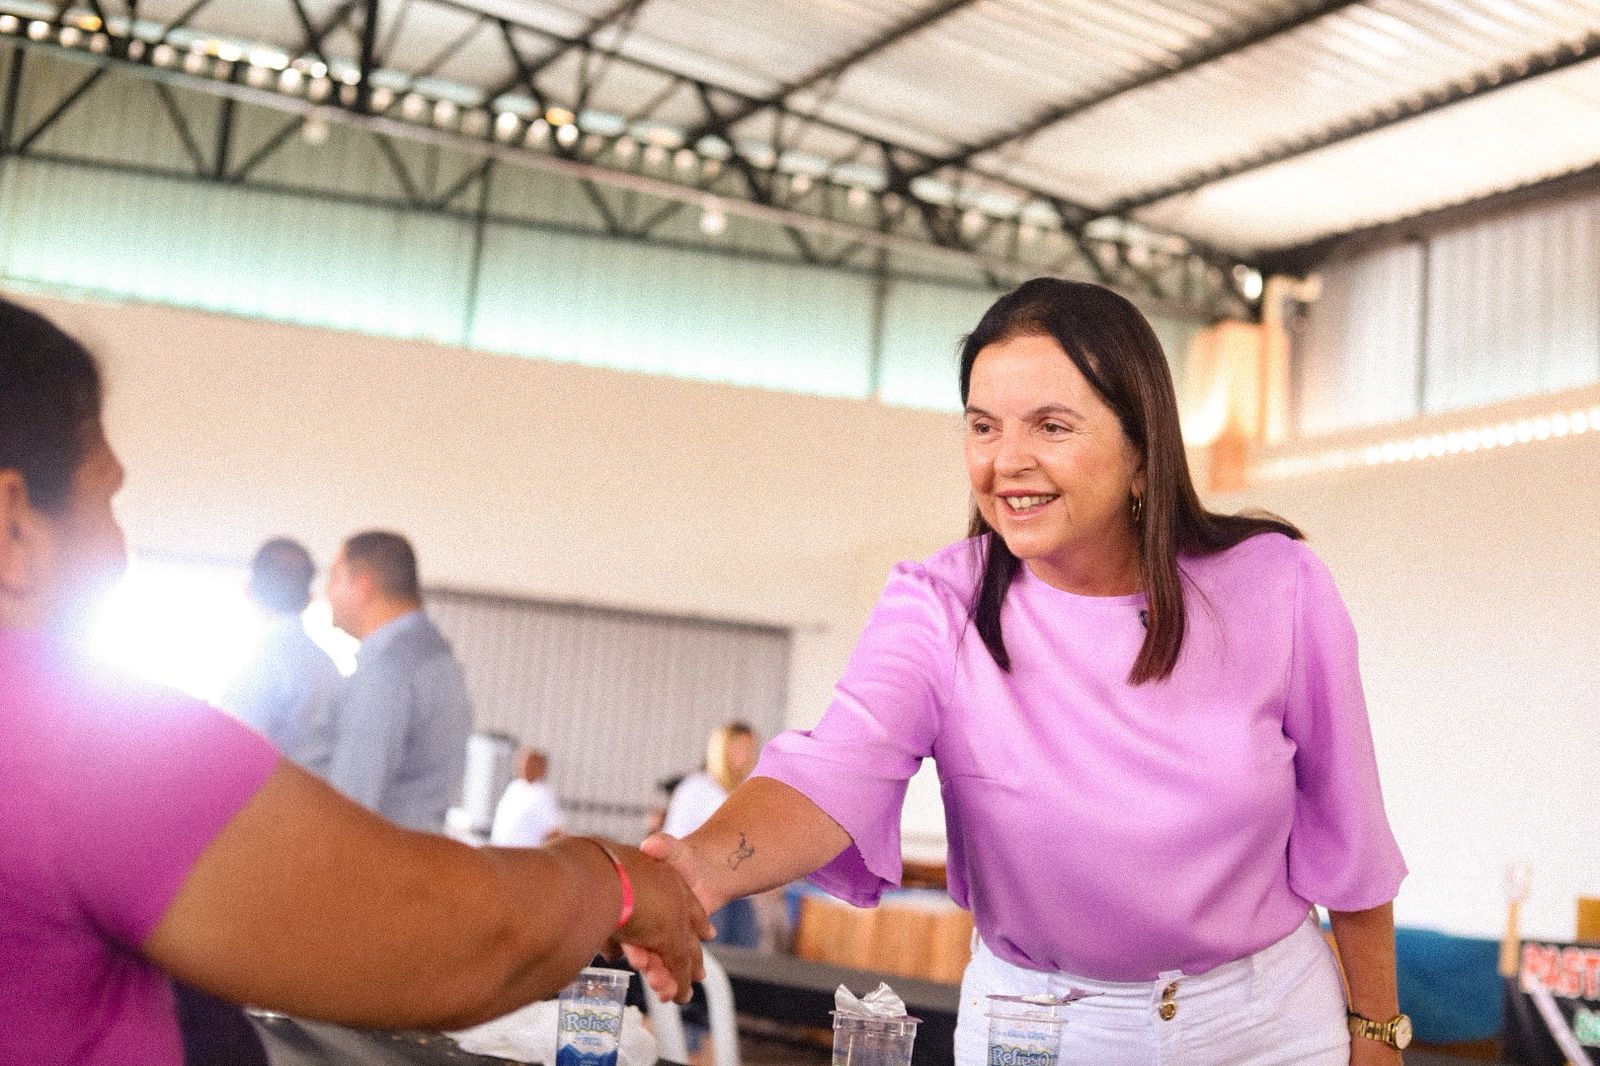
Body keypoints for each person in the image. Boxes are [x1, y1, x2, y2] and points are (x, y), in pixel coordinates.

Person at [645, 278, 1410, 1066]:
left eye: (1051, 426)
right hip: (1038, 1027)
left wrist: (1378, 1031)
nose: (1008, 462)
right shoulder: (939, 605)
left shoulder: (1275, 586)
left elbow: (1348, 833)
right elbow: (832, 773)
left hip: (1264, 1027)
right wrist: (701, 866)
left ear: (1141, 451)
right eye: (984, 427)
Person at [0, 298, 711, 1066]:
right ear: (13, 522)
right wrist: (614, 882)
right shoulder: (71, 737)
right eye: (104, 498)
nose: (118, 548)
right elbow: (457, 937)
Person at [316, 530, 472, 833]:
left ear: (363, 586)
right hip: (418, 854)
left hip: (376, 866)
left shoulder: (388, 669)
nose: (327, 593)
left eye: (334, 577)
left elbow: (349, 805)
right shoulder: (436, 655)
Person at [219, 537, 340, 768]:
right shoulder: (329, 668)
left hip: (270, 800)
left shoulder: (256, 664)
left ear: (248, 590)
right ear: (309, 599)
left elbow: (234, 757)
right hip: (322, 800)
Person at [662, 722, 761, 948]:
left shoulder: (748, 789)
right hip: (702, 888)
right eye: (740, 748)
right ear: (722, 750)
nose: (747, 756)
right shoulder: (697, 788)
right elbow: (677, 838)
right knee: (710, 953)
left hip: (739, 890)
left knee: (746, 957)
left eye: (751, 749)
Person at [490, 747, 565, 846]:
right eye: (521, 761)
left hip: (524, 855)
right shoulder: (515, 787)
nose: (523, 766)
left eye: (529, 763)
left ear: (540, 767)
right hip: (500, 852)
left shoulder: (543, 794)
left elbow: (554, 832)